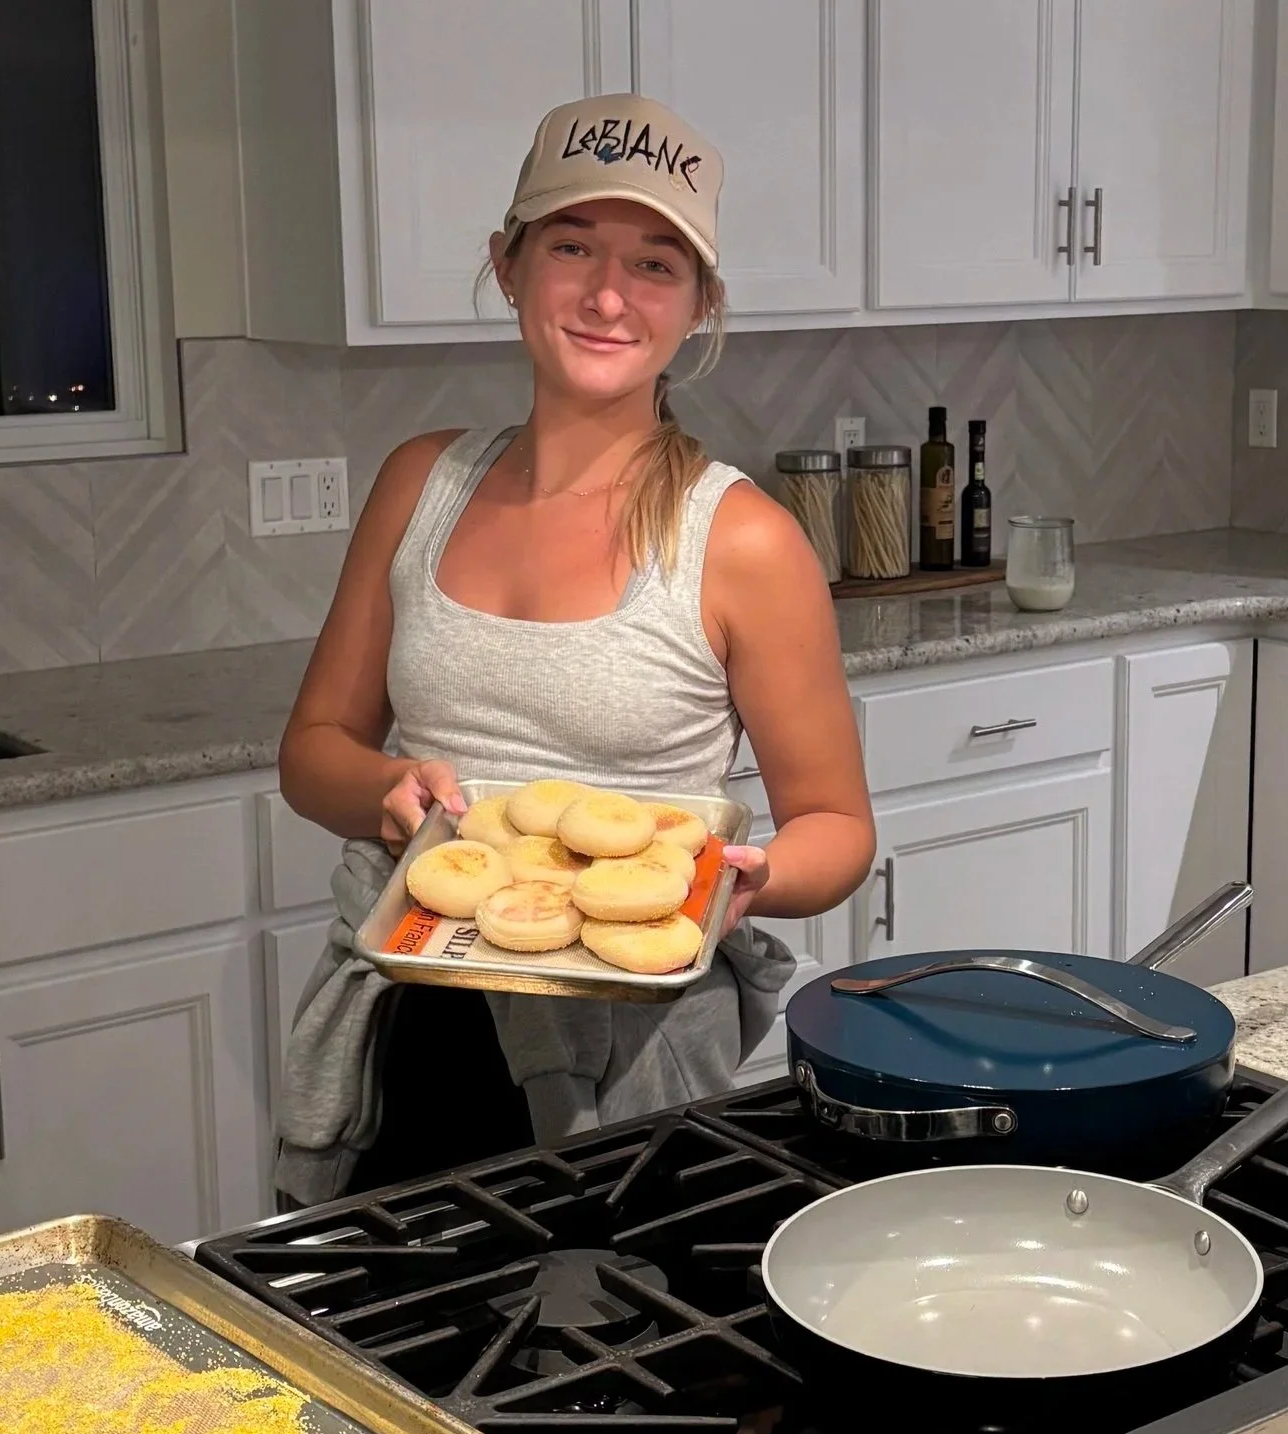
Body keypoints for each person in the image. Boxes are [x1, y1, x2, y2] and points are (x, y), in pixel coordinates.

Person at [274, 95, 874, 1205]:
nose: (607, 295)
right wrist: (384, 789)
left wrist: (740, 884)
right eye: (570, 247)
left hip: (626, 1054)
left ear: (698, 305)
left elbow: (836, 826)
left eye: (654, 264)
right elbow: (312, 749)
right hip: (409, 1023)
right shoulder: (420, 484)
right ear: (506, 264)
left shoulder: (739, 541)